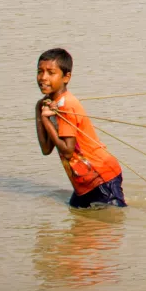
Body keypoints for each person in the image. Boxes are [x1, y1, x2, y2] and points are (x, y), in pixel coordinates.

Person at [35, 48, 127, 208]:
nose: (43, 77)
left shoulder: (66, 105)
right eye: (40, 71)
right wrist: (39, 113)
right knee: (81, 223)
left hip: (101, 176)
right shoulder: (48, 105)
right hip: (84, 182)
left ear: (66, 77)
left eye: (51, 73)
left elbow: (67, 150)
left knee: (111, 224)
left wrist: (45, 119)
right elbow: (46, 148)